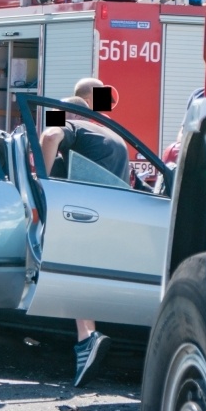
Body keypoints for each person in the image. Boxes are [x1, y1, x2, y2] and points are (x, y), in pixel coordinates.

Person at [39, 96, 130, 387]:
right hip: (118, 214)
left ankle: (86, 339)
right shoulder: (110, 133)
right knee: (86, 272)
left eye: (55, 113)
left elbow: (51, 134)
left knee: (71, 268)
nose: (52, 118)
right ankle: (89, 337)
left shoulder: (73, 126)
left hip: (91, 213)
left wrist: (40, 181)